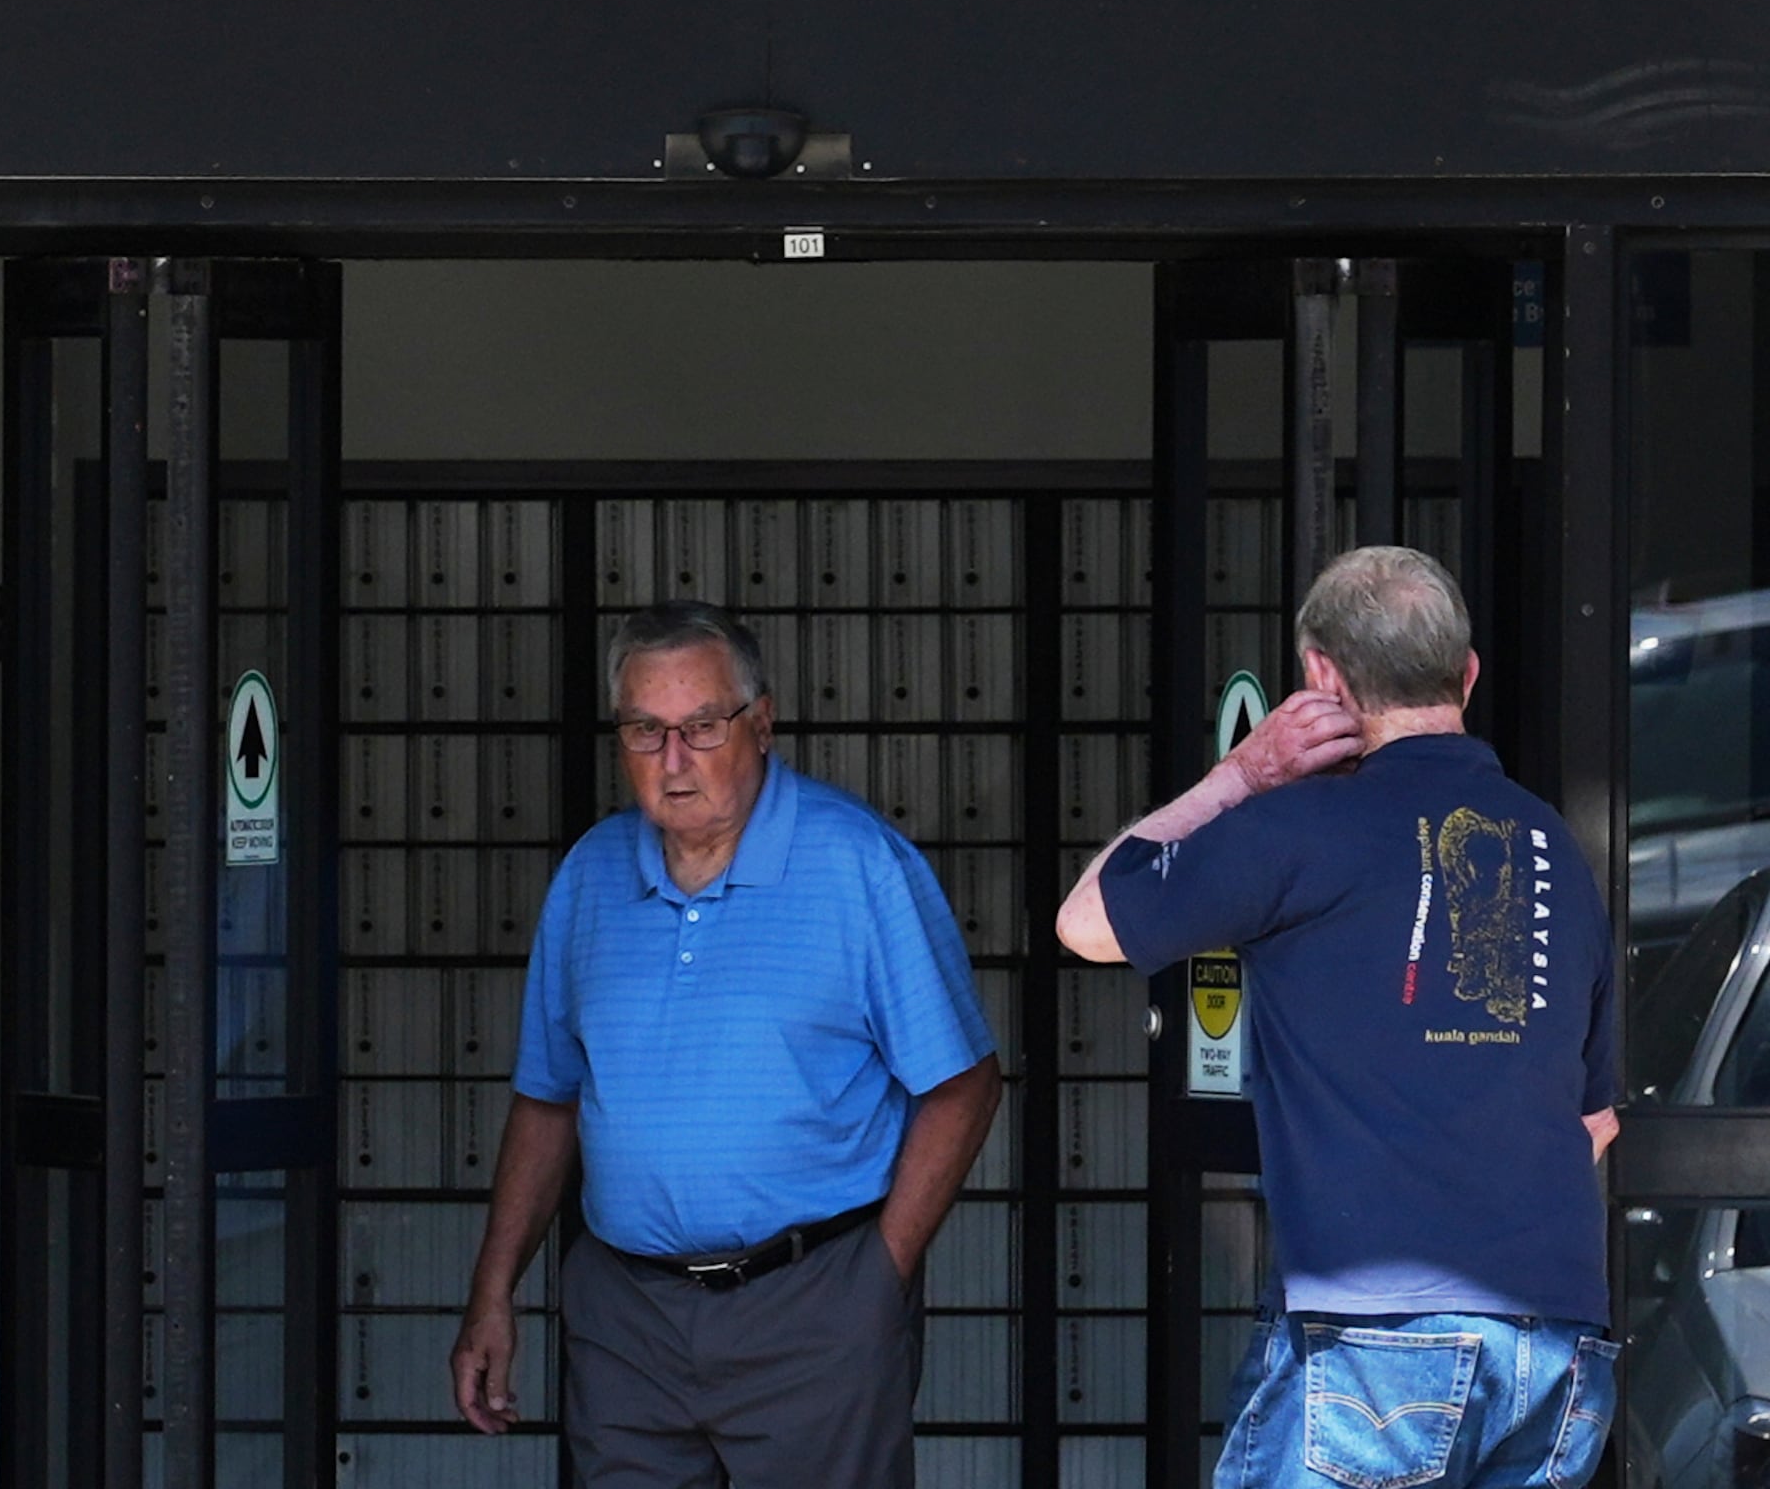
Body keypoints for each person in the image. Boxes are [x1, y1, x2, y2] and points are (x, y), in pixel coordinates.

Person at [1056, 548, 1618, 1489]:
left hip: (1375, 1336)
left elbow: (1088, 922)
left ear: (1321, 676)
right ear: (1467, 674)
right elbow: (1594, 1121)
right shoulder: (1553, 844)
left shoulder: (1299, 827)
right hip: (1558, 1347)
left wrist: (1239, 775)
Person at [448, 600, 1000, 1486]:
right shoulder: (591, 875)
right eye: (644, 730)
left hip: (812, 1300)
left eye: (702, 726)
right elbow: (547, 1099)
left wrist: (879, 1277)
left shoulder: (858, 864)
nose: (673, 761)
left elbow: (964, 1086)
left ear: (762, 722)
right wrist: (491, 1294)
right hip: (627, 1316)